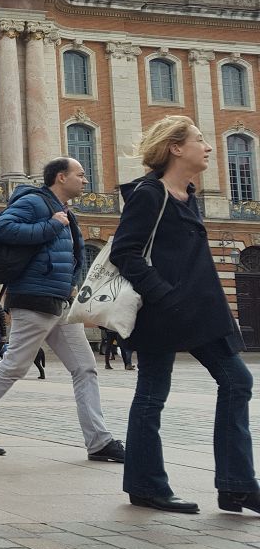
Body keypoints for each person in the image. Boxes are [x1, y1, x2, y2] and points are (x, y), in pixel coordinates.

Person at [110, 115, 259, 515]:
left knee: (237, 381)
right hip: (165, 312)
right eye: (199, 139)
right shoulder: (149, 194)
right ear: (176, 148)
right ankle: (147, 485)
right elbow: (125, 252)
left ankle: (237, 486)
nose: (207, 147)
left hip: (200, 311)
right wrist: (165, 295)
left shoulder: (187, 194)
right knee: (152, 394)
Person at [0, 157, 125, 463]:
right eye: (80, 174)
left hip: (59, 300)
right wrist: (52, 225)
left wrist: (71, 284)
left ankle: (99, 441)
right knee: (15, 365)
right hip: (34, 297)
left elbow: (70, 255)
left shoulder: (64, 211)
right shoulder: (35, 202)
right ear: (61, 177)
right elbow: (5, 228)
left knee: (85, 368)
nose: (85, 180)